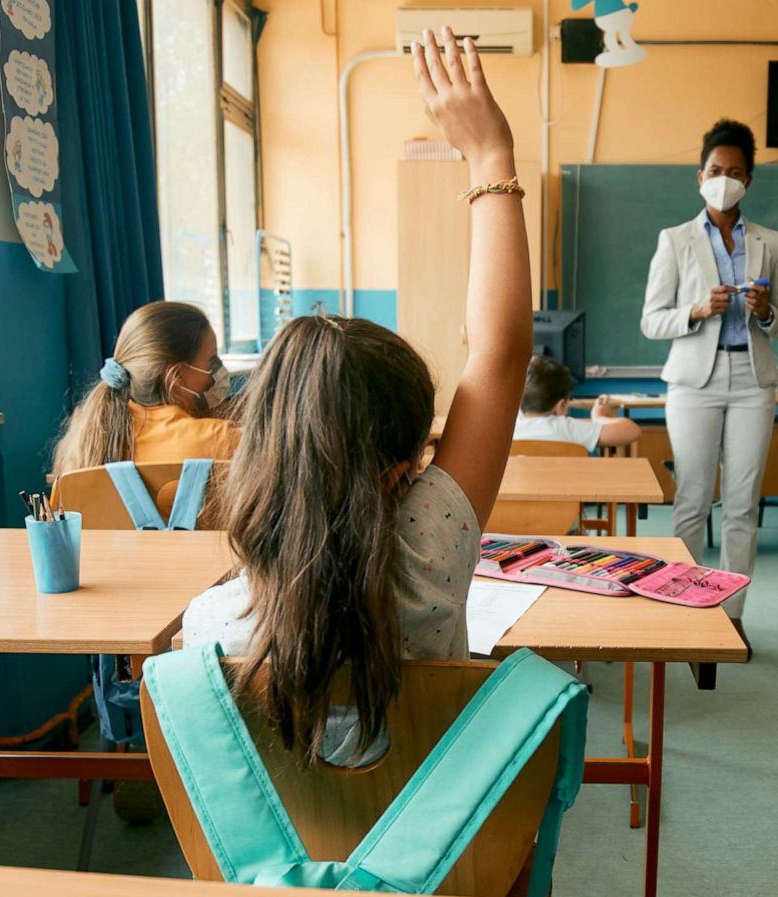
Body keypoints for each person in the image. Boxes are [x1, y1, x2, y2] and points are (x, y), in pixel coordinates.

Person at [182, 27, 530, 767]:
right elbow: (499, 356)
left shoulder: (208, 627)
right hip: (442, 866)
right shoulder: (434, 548)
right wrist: (490, 157)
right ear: (407, 466)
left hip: (273, 881)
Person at [640, 118, 778, 642]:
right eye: (714, 169)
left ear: (748, 180)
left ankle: (730, 616)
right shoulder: (676, 239)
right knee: (691, 497)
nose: (723, 179)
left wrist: (768, 311)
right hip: (693, 382)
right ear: (699, 175)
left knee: (743, 503)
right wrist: (697, 309)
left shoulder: (769, 242)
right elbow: (651, 319)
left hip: (753, 380)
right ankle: (684, 608)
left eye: (734, 172)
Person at [50, 300, 237, 474]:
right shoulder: (222, 438)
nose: (218, 369)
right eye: (212, 360)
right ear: (176, 376)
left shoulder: (85, 438)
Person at [514, 355, 642, 453]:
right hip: (564, 488)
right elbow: (633, 431)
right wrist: (598, 417)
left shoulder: (510, 430)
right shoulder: (568, 428)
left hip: (516, 488)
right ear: (561, 406)